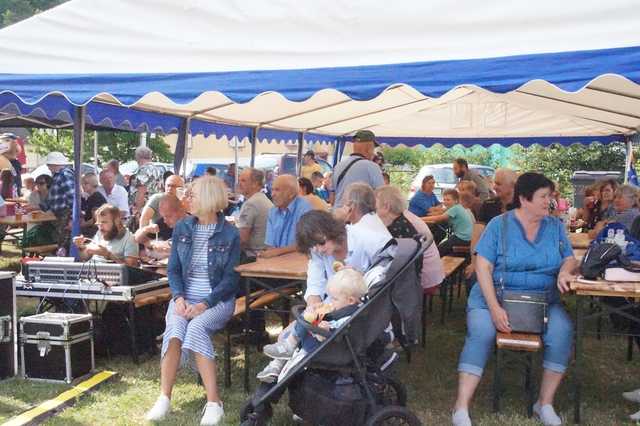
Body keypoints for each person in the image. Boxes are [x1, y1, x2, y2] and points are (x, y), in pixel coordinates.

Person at [452, 172, 578, 426]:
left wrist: (565, 270)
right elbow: (483, 267)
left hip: (541, 301)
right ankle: (461, 407)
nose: (549, 202)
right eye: (543, 197)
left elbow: (569, 256)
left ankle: (544, 403)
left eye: (550, 196)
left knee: (562, 331)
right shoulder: (499, 224)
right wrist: (495, 308)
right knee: (482, 332)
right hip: (493, 297)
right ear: (524, 198)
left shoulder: (555, 226)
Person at [257, 201, 393, 382]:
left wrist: (361, 277)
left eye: (321, 242)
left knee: (301, 332)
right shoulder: (318, 252)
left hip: (356, 308)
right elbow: (315, 284)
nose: (320, 249)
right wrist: (314, 307)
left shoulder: (367, 240)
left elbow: (388, 265)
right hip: (332, 304)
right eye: (314, 247)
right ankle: (278, 369)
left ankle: (283, 368)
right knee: (290, 331)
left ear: (333, 230)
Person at [145, 175, 240, 425]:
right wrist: (178, 297)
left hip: (217, 301)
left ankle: (214, 402)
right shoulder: (183, 228)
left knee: (197, 327)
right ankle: (164, 398)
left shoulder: (230, 234)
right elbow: (173, 270)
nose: (186, 199)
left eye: (191, 195)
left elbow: (231, 280)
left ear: (208, 199)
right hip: (184, 298)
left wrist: (204, 304)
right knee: (175, 329)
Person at [261, 268, 367, 362]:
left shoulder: (351, 316)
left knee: (305, 320)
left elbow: (341, 331)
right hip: (322, 339)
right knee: (307, 316)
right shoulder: (347, 309)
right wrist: (316, 314)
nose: (332, 302)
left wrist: (327, 329)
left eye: (335, 299)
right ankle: (281, 358)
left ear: (351, 300)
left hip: (330, 347)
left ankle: (288, 351)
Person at [375, 185, 444, 292]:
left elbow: (394, 263)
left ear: (386, 207)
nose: (372, 210)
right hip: (430, 271)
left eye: (375, 205)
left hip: (424, 277)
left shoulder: (399, 225)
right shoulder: (402, 217)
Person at [465, 168, 518, 279]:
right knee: (473, 276)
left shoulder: (524, 206)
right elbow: (476, 235)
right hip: (490, 255)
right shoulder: (488, 204)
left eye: (498, 184)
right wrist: (474, 262)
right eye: (494, 183)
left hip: (515, 257)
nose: (494, 187)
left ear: (513, 186)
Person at [261, 174, 313, 258]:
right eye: (272, 190)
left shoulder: (304, 209)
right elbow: (270, 245)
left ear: (291, 193)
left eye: (277, 190)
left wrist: (277, 252)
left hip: (300, 261)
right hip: (278, 261)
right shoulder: (272, 212)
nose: (272, 194)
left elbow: (305, 243)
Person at [330, 130, 384, 207]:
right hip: (359, 216)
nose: (373, 153)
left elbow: (332, 197)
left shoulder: (338, 166)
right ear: (369, 149)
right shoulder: (372, 167)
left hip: (338, 214)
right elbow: (381, 196)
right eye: (373, 149)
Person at [73, 204, 139, 267]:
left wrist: (108, 255)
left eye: (104, 222)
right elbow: (84, 257)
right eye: (98, 224)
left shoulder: (130, 239)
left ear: (117, 221)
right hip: (92, 274)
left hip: (112, 277)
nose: (100, 227)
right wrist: (81, 247)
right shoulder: (100, 233)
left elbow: (130, 269)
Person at [236, 168, 273, 260]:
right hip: (265, 253)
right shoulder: (262, 199)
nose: (239, 184)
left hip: (253, 256)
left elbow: (242, 239)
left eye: (243, 181)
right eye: (239, 180)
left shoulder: (251, 204)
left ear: (255, 184)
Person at [41, 152, 75, 254]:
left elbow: (72, 196)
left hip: (65, 213)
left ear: (55, 164)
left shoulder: (64, 175)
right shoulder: (59, 175)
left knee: (64, 241)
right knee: (62, 240)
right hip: (62, 213)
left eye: (49, 164)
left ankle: (64, 262)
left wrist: (71, 217)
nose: (48, 167)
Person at [423, 189, 474, 256]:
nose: (445, 202)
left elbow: (439, 218)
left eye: (448, 200)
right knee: (443, 246)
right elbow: (442, 213)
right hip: (468, 237)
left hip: (462, 238)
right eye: (444, 200)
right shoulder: (457, 207)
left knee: (439, 250)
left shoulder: (455, 208)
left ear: (455, 201)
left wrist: (419, 219)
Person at [135, 194, 187, 259]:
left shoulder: (191, 224)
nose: (165, 220)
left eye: (168, 216)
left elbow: (178, 246)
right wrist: (146, 229)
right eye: (163, 216)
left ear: (181, 211)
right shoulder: (163, 222)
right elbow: (137, 238)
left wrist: (159, 245)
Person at [129, 146, 163, 216]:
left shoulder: (143, 170)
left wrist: (137, 210)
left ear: (138, 157)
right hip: (155, 206)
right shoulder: (158, 170)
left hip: (144, 208)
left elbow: (141, 191)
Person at [80, 173, 107, 237]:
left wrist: (83, 224)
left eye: (86, 183)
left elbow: (96, 218)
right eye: (82, 183)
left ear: (93, 184)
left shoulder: (97, 197)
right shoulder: (90, 197)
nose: (83, 185)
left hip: (96, 231)